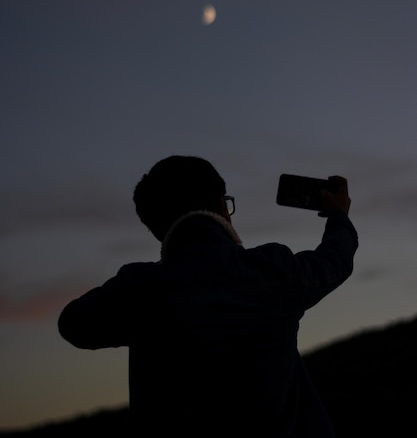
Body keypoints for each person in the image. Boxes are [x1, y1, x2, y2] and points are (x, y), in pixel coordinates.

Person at [58, 154, 358, 436]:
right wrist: (338, 216)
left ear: (156, 228)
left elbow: (72, 324)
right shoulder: (271, 269)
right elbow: (335, 260)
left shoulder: (139, 288)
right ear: (220, 204)